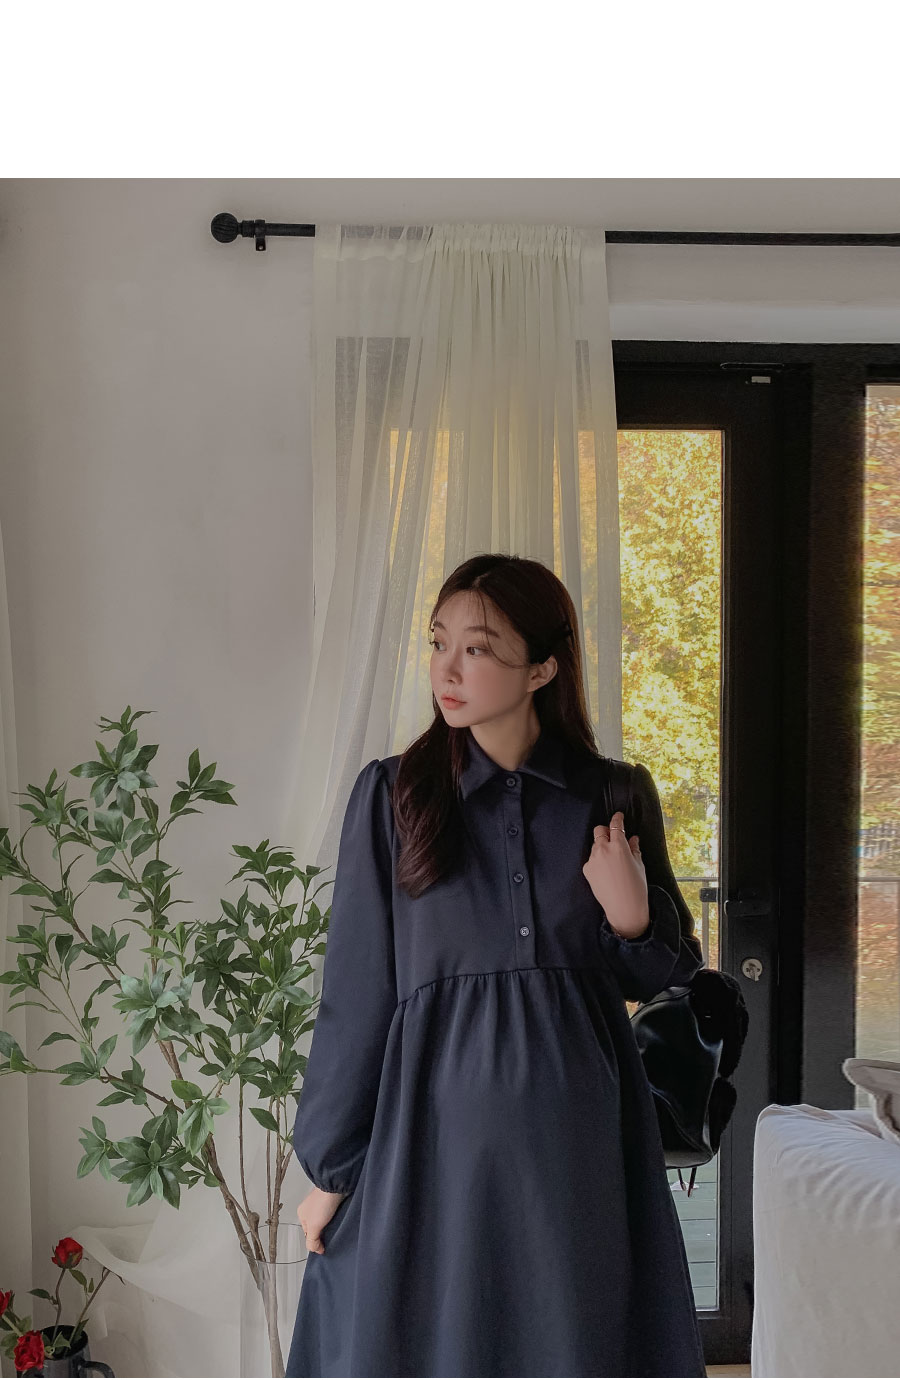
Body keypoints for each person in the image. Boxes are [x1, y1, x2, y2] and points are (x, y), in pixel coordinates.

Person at [287, 553, 707, 1378]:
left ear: (542, 668)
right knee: (430, 1337)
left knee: (572, 1338)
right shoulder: (394, 796)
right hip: (434, 1136)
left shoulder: (614, 795)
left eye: (476, 648)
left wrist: (630, 915)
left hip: (577, 1139)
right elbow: (359, 991)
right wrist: (333, 1168)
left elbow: (666, 975)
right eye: (438, 642)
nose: (447, 669)